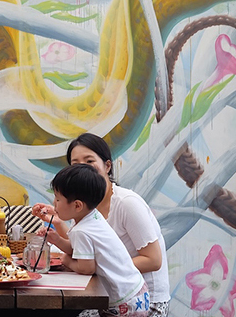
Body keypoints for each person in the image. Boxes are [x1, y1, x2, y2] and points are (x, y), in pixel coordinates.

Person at [33, 133, 170, 317]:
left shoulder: (126, 203)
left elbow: (153, 260)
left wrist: (99, 265)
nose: (83, 168)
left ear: (107, 166)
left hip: (144, 301)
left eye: (89, 161)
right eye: (76, 164)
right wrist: (57, 223)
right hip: (109, 296)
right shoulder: (86, 205)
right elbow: (80, 246)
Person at [45, 163, 149, 317]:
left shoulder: (82, 231)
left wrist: (66, 261)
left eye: (58, 199)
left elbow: (87, 267)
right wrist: (58, 241)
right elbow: (78, 249)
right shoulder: (92, 217)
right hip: (136, 291)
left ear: (78, 205)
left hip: (124, 303)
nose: (54, 203)